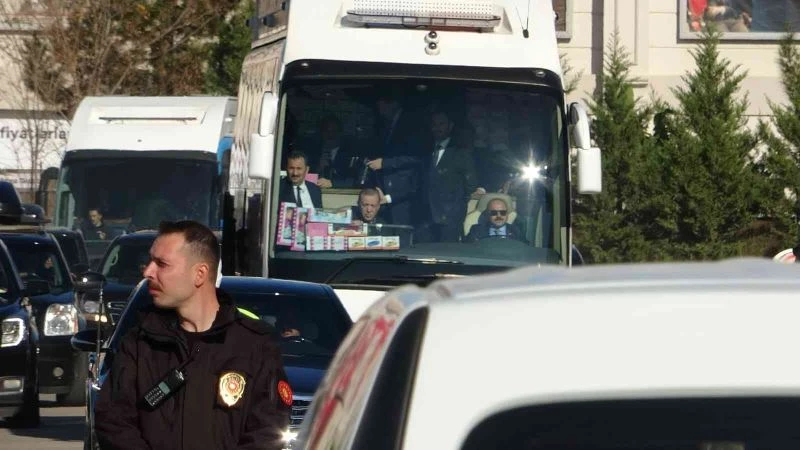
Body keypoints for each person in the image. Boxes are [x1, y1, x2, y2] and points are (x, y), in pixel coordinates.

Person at [94, 221, 291, 450]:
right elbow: (114, 422)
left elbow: (267, 433)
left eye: (162, 264)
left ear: (199, 274)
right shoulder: (140, 342)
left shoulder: (254, 346)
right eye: (150, 262)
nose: (148, 272)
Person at [417, 109, 484, 242]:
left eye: (441, 124)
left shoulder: (460, 152)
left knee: (447, 252)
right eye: (434, 124)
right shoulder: (426, 150)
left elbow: (471, 185)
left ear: (450, 126)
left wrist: (455, 207)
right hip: (427, 217)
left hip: (450, 217)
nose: (437, 128)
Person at [364, 90, 424, 225]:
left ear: (393, 103)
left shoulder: (410, 123)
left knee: (401, 231)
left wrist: (384, 163)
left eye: (381, 105)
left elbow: (415, 157)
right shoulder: (387, 124)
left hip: (403, 195)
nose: (380, 109)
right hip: (384, 193)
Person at [307, 116, 360, 189]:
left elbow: (355, 181)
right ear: (321, 133)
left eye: (334, 131)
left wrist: (333, 183)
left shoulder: (349, 155)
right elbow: (303, 177)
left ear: (340, 133)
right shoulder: (313, 153)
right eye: (327, 131)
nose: (330, 135)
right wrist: (318, 168)